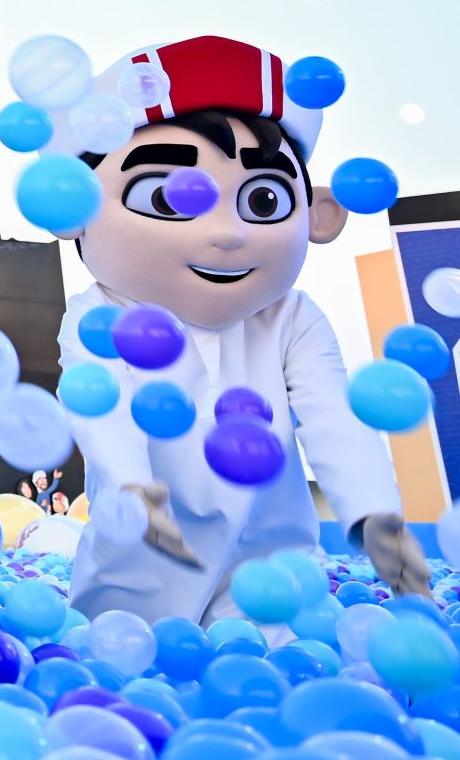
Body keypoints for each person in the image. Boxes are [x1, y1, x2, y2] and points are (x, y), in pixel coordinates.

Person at [59, 34, 424, 621]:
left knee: (273, 673)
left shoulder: (290, 317)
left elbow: (332, 415)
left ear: (319, 217)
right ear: (72, 210)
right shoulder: (100, 316)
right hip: (141, 562)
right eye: (167, 196)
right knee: (134, 676)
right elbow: (100, 404)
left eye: (260, 200)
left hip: (269, 565)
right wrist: (130, 487)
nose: (226, 232)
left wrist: (374, 513)